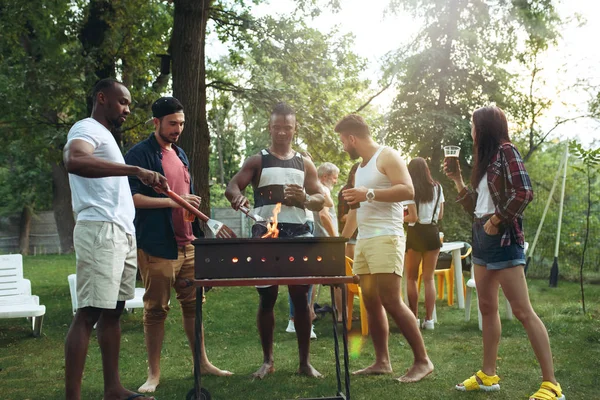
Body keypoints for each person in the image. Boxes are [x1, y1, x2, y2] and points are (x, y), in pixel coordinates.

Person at [446, 106, 565, 400]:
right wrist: (459, 180)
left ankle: (551, 384)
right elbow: (476, 207)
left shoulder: (506, 151)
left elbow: (523, 192)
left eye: (473, 125)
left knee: (523, 311)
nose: (471, 130)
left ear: (484, 127)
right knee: (487, 308)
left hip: (502, 239)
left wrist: (497, 219)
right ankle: (488, 375)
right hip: (481, 238)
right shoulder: (485, 161)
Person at [64, 78, 168, 400]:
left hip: (121, 232)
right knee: (89, 313)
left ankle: (113, 389)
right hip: (100, 230)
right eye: (122, 102)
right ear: (102, 98)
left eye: (129, 104)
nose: (126, 109)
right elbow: (74, 160)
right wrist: (135, 170)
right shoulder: (87, 128)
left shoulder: (107, 137)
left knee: (114, 311)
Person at [124, 97, 231, 394]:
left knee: (193, 306)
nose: (178, 129)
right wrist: (171, 202)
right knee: (156, 310)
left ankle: (203, 363)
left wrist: (193, 215)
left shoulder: (181, 154)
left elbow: (185, 197)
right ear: (155, 122)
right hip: (158, 246)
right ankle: (154, 374)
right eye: (172, 123)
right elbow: (132, 199)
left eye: (181, 124)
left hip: (189, 244)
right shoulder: (139, 154)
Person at [225, 102, 326, 379]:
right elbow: (232, 186)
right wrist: (238, 197)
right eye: (277, 127)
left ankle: (304, 363)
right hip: (265, 235)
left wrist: (304, 198)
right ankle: (268, 361)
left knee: (301, 298)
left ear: (295, 129)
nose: (282, 132)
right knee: (267, 297)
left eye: (288, 128)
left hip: (299, 235)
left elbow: (321, 199)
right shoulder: (258, 160)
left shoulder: (304, 162)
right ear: (269, 127)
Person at [336, 114, 434, 382]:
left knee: (391, 299)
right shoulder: (359, 169)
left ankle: (422, 361)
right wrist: (341, 241)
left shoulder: (387, 156)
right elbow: (356, 211)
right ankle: (382, 361)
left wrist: (368, 193)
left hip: (387, 237)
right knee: (370, 301)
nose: (343, 146)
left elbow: (408, 191)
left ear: (352, 138)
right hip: (366, 240)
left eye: (344, 141)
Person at [403, 157, 444, 330]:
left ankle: (414, 318)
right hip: (432, 233)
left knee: (411, 278)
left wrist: (399, 218)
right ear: (427, 169)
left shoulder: (410, 190)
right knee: (429, 279)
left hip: (415, 233)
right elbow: (440, 215)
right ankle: (429, 320)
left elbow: (412, 217)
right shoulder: (438, 187)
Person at [338, 162, 360, 259]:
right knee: (351, 270)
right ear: (353, 174)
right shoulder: (346, 191)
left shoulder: (362, 190)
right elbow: (342, 217)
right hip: (351, 238)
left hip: (362, 236)